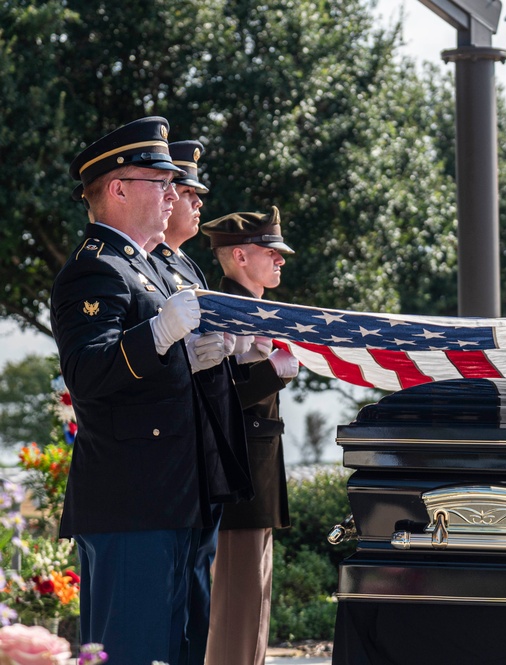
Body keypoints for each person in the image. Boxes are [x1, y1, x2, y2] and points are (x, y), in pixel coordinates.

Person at [51, 117, 247, 664]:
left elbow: (163, 374)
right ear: (117, 189)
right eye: (159, 182)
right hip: (132, 500)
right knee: (134, 652)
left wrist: (206, 357)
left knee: (179, 649)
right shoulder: (95, 271)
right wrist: (159, 334)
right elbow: (89, 374)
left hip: (176, 491)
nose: (172, 193)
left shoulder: (153, 269)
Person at [148, 140, 253, 664]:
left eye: (191, 193)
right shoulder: (153, 267)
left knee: (194, 595)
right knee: (171, 599)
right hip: (168, 451)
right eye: (185, 191)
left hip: (202, 448)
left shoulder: (186, 267)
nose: (192, 203)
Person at [202, 206, 299, 665]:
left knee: (253, 610)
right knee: (237, 612)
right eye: (270, 252)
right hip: (236, 478)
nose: (280, 260)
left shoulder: (252, 312)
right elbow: (215, 397)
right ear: (239, 255)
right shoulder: (225, 313)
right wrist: (272, 375)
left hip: (254, 478)